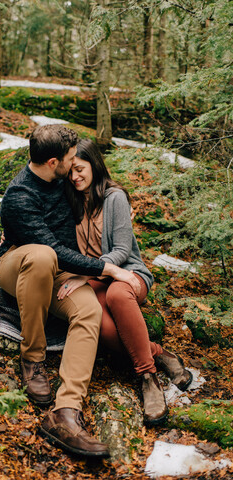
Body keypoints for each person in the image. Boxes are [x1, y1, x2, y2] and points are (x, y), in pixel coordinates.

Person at [0, 125, 143, 457]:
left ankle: (65, 412)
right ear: (52, 162)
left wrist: (119, 202)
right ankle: (33, 358)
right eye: (70, 159)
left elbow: (95, 184)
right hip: (17, 264)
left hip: (58, 271)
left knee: (89, 311)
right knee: (43, 255)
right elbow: (54, 250)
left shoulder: (61, 179)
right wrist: (110, 268)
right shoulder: (20, 196)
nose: (75, 164)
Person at [58, 138, 193, 426]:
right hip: (94, 279)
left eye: (80, 169)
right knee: (101, 326)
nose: (75, 176)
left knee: (118, 296)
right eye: (70, 171)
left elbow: (121, 251)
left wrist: (85, 273)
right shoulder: (70, 199)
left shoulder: (114, 197)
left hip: (127, 273)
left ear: (94, 165)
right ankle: (158, 353)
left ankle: (148, 378)